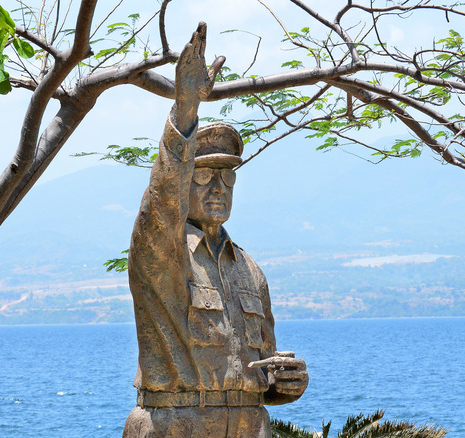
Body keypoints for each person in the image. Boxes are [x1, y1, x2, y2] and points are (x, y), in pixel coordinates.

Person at [122, 23, 308, 438]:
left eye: (226, 176)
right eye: (204, 176)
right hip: (178, 426)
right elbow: (160, 202)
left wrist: (284, 384)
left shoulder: (249, 269)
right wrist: (185, 109)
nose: (218, 188)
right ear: (184, 182)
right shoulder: (162, 254)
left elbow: (261, 366)